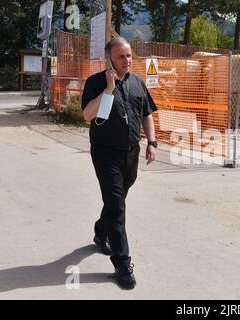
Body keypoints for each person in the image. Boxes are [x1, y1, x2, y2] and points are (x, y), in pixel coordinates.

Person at [81, 37, 157, 289]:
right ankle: (122, 264)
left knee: (117, 201)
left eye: (129, 55)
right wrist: (109, 90)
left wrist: (152, 142)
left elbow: (147, 114)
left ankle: (101, 232)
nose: (128, 60)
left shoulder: (138, 83)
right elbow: (87, 116)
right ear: (110, 59)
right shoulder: (95, 83)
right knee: (116, 205)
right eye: (122, 57)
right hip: (105, 153)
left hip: (131, 152)